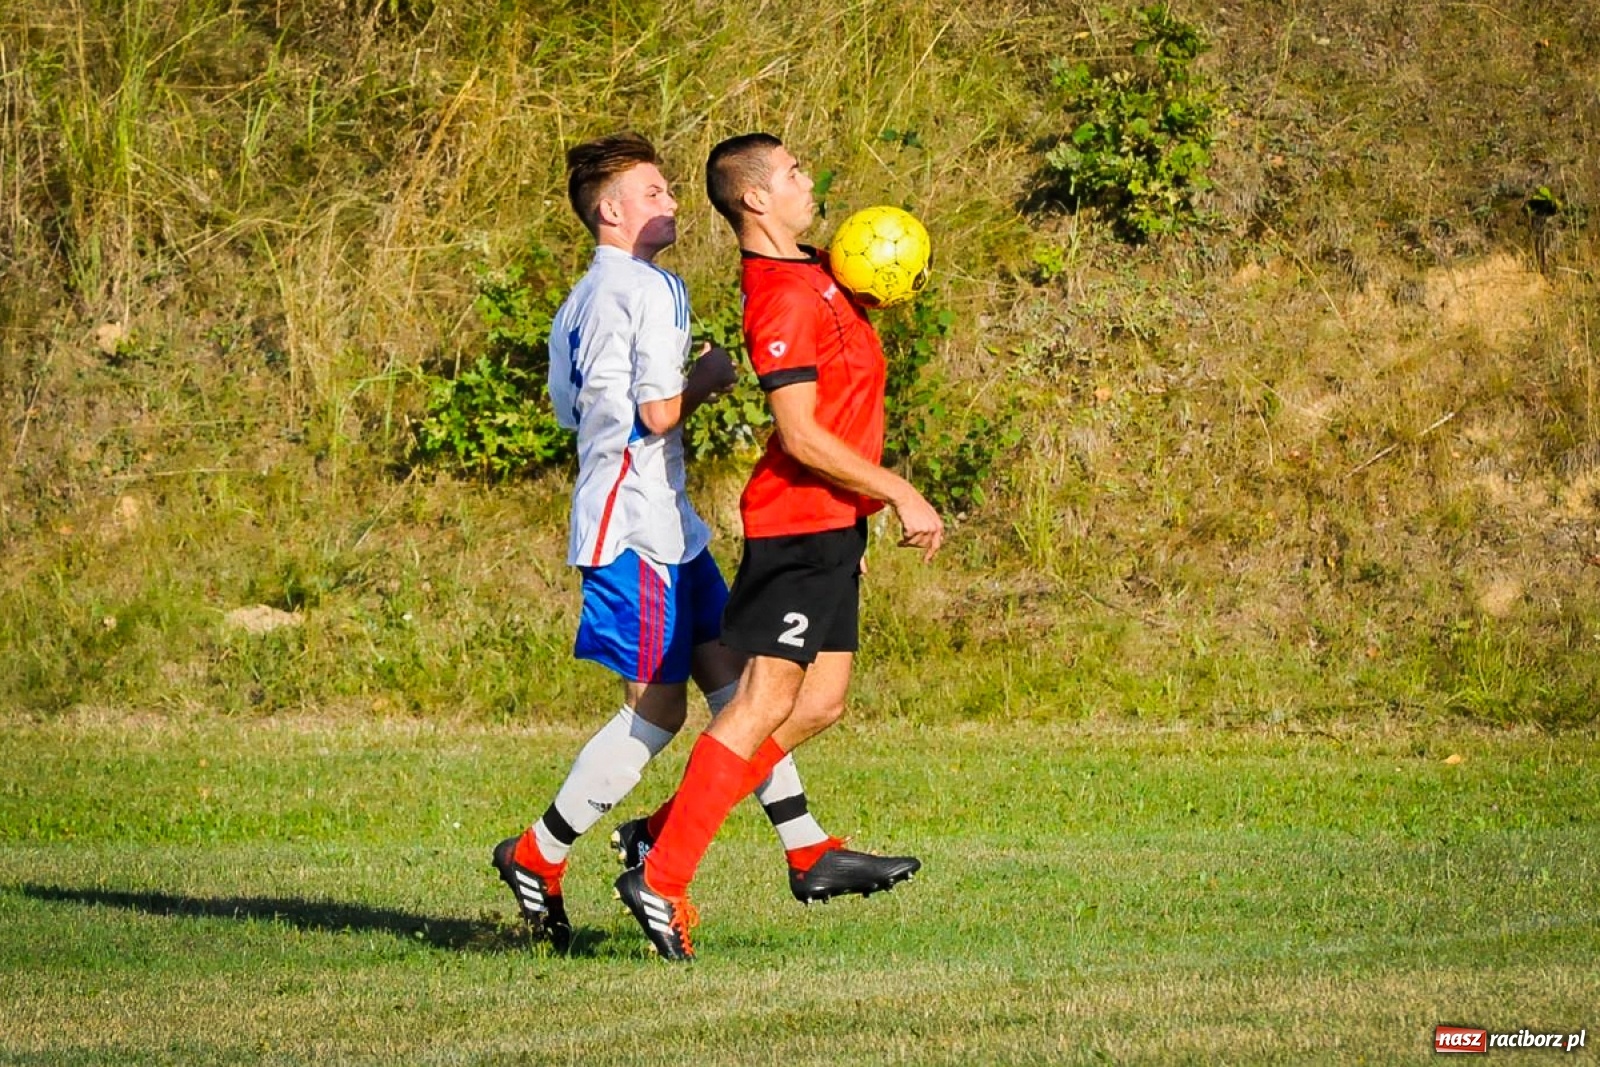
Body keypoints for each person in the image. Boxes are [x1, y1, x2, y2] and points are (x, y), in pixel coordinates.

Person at [491, 132, 915, 952]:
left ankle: (804, 844)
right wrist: (705, 383)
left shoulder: (580, 299)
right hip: (633, 531)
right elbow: (654, 416)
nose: (674, 202)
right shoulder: (646, 290)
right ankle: (540, 853)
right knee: (658, 713)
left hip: (667, 526)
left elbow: (569, 411)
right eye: (655, 192)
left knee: (744, 693)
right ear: (611, 211)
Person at [615, 133, 943, 961]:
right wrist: (896, 488)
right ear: (755, 198)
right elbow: (798, 434)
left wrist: (856, 515)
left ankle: (657, 832)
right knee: (760, 701)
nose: (809, 181)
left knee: (821, 702)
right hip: (796, 521)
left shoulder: (818, 269)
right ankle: (662, 878)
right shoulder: (780, 298)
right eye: (794, 173)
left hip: (833, 524)